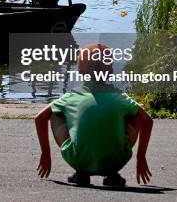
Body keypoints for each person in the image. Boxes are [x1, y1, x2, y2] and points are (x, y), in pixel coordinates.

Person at [34, 43, 153, 187]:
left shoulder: (72, 96)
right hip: (117, 159)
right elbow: (147, 120)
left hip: (78, 159)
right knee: (135, 114)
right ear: (109, 70)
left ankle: (81, 173)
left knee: (54, 113)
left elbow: (40, 118)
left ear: (80, 69)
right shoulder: (119, 97)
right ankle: (112, 174)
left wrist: (46, 155)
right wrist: (141, 158)